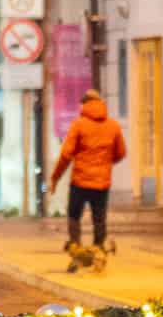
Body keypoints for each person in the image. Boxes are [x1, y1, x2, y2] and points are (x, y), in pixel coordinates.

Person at [48, 90, 126, 252]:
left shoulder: (78, 125)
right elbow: (121, 153)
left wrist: (55, 178)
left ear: (84, 104)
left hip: (80, 181)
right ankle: (98, 249)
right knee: (99, 217)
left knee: (74, 214)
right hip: (102, 182)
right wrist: (105, 162)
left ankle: (76, 246)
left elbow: (66, 155)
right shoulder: (113, 126)